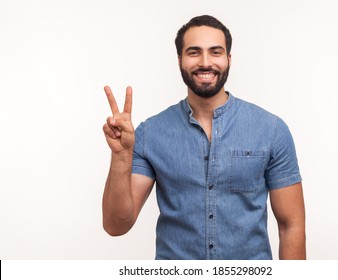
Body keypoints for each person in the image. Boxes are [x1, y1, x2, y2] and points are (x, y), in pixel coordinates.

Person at [102, 15, 306, 260]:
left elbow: (291, 226)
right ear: (179, 60)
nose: (206, 62)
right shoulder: (150, 133)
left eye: (216, 52)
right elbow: (116, 225)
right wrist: (121, 156)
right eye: (194, 52)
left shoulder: (271, 130)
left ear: (229, 59)